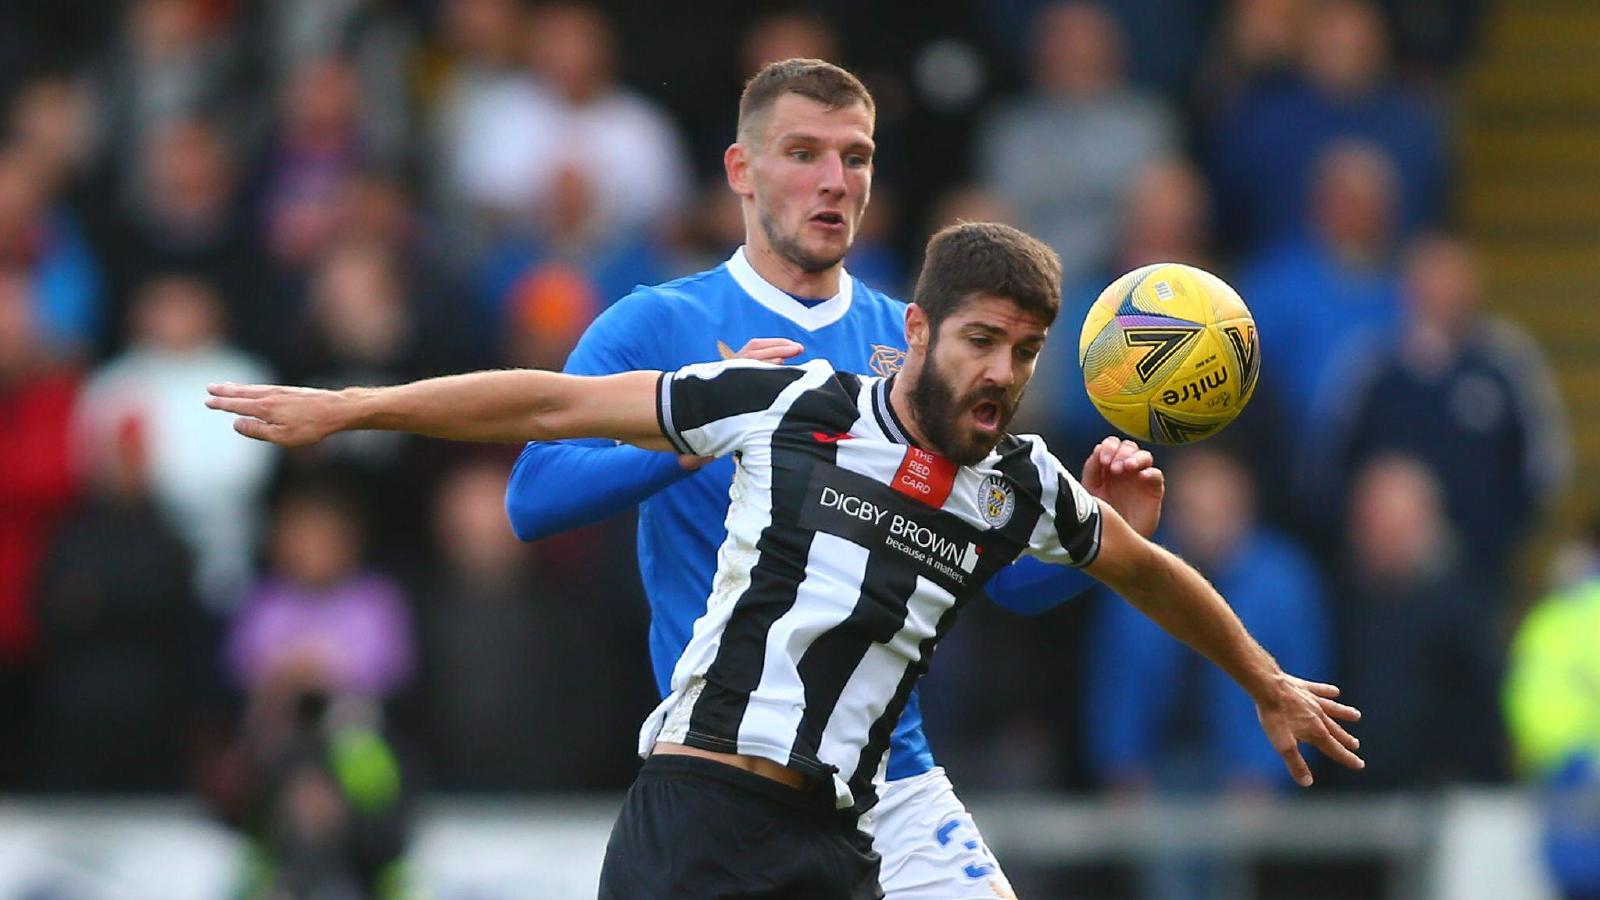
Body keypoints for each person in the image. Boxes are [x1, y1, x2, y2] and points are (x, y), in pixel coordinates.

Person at [208, 220, 1364, 899]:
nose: (1001, 373)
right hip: (699, 816)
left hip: (845, 832)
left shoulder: (1018, 484)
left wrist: (1262, 679)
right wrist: (350, 408)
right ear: (915, 330)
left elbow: (1145, 573)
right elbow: (555, 406)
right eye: (979, 341)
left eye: (1023, 352)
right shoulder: (792, 401)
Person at [500, 58, 1159, 898]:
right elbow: (534, 496)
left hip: (891, 774)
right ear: (741, 171)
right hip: (733, 767)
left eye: (855, 157)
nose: (834, 181)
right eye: (803, 153)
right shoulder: (662, 323)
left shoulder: (913, 342)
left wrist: (1108, 538)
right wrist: (691, 437)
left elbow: (1001, 583)